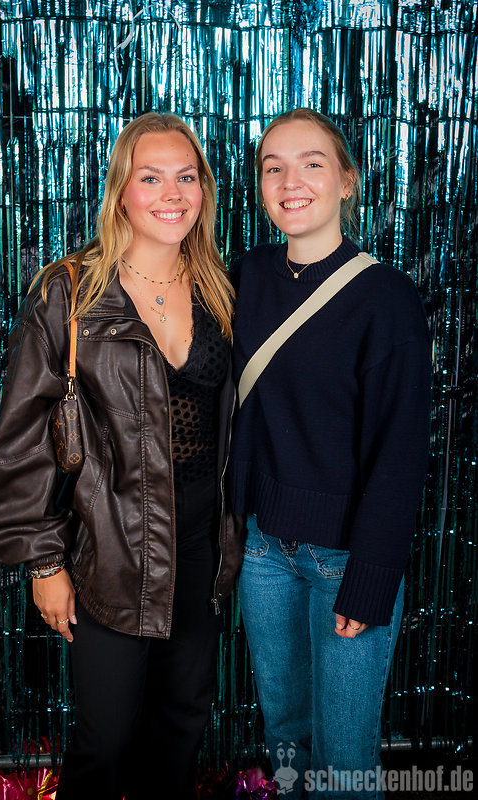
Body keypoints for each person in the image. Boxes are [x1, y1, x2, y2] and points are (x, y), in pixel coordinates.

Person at [0, 112, 241, 800]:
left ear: (204, 190)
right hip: (111, 552)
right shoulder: (69, 293)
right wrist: (43, 562)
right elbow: (21, 443)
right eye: (150, 178)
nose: (172, 194)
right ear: (121, 190)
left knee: (179, 734)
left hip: (202, 553)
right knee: (107, 742)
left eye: (186, 177)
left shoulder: (221, 289)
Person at [229, 109, 431, 799]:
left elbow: (400, 453)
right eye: (274, 167)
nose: (291, 181)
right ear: (260, 185)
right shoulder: (245, 277)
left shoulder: (387, 298)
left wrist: (371, 579)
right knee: (287, 735)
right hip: (263, 553)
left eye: (312, 164)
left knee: (343, 758)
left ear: (346, 181)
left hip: (345, 558)